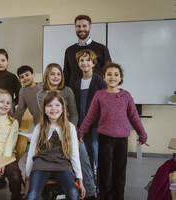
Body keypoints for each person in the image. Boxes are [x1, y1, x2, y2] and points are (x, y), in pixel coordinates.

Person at [78, 62, 148, 200]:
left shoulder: (126, 96)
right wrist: (81, 132)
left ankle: (118, 197)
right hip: (105, 139)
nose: (112, 77)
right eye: (109, 74)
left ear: (120, 78)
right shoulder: (99, 95)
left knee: (119, 171)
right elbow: (90, 116)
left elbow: (134, 117)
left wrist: (142, 134)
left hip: (122, 140)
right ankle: (104, 196)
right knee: (105, 171)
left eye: (116, 74)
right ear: (104, 77)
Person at [37, 63, 97, 198]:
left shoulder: (68, 91)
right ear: (47, 75)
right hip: (50, 132)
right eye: (52, 73)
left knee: (82, 153)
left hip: (68, 129)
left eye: (58, 74)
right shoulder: (41, 94)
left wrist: (71, 129)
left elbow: (74, 114)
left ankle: (90, 191)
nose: (56, 76)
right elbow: (48, 115)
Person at [25, 91, 85, 200]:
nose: (53, 109)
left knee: (73, 193)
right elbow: (31, 153)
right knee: (32, 195)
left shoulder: (70, 127)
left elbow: (75, 155)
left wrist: (80, 179)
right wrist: (27, 177)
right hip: (41, 165)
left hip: (62, 165)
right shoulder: (39, 127)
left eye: (57, 105)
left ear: (63, 108)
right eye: (49, 105)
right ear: (44, 109)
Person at [71, 49, 107, 178]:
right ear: (78, 63)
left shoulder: (100, 82)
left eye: (88, 60)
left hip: (96, 125)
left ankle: (97, 179)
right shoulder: (76, 84)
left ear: (93, 63)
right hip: (82, 124)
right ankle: (88, 179)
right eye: (82, 60)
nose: (85, 63)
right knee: (84, 153)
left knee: (95, 151)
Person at [64, 14, 111, 86]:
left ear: (90, 27)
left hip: (96, 92)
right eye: (78, 26)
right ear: (75, 28)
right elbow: (66, 75)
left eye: (84, 26)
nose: (81, 29)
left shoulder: (101, 49)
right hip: (74, 93)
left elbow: (109, 72)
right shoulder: (69, 51)